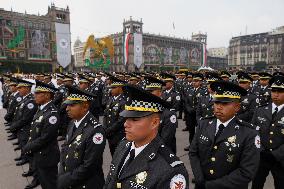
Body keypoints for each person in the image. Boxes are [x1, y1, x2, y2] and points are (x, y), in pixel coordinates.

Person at [104, 84, 189, 189]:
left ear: (154, 123)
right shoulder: (123, 145)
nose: (126, 124)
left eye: (134, 119)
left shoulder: (171, 170)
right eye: (126, 118)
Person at [189, 80, 260, 189]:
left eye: (225, 103)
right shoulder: (204, 124)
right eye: (217, 102)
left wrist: (210, 185)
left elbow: (246, 171)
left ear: (237, 107)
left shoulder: (249, 133)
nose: (219, 107)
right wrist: (199, 179)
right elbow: (193, 153)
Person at [58, 85, 106, 189]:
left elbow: (89, 165)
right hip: (71, 178)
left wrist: (66, 179)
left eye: (72, 105)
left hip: (86, 183)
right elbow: (66, 147)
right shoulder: (73, 122)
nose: (67, 109)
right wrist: (62, 171)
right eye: (67, 105)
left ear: (85, 107)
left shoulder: (96, 131)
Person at [23, 80, 60, 189]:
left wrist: (28, 146)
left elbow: (45, 138)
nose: (35, 95)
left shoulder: (52, 114)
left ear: (47, 95)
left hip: (47, 156)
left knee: (50, 184)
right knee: (44, 183)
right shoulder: (42, 109)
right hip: (40, 154)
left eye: (38, 93)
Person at [251, 75, 284, 189]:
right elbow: (254, 132)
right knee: (256, 184)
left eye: (280, 91)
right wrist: (259, 149)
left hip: (280, 159)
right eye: (273, 90)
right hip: (261, 156)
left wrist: (276, 154)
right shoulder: (260, 110)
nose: (276, 94)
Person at [145, 76, 178, 154]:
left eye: (151, 91)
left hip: (163, 153)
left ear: (159, 92)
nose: (148, 94)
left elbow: (166, 139)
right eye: (147, 91)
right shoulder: (145, 110)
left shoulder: (168, 113)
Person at [103, 75, 127, 156]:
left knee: (119, 155)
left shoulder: (123, 101)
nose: (111, 90)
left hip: (119, 134)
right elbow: (106, 115)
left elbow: (121, 120)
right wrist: (105, 127)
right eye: (111, 88)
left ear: (120, 88)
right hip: (110, 134)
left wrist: (109, 129)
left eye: (113, 88)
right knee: (112, 154)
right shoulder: (110, 99)